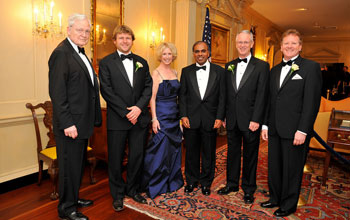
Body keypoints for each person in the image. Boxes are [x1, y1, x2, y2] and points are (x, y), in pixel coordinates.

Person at [261, 29, 321, 217]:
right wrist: (265, 125)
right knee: (275, 166)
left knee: (292, 169)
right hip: (275, 128)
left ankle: (289, 204)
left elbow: (311, 102)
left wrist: (303, 130)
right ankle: (275, 198)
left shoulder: (311, 68)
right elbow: (270, 100)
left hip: (295, 130)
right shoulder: (274, 70)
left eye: (293, 43)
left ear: (300, 46)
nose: (289, 46)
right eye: (286, 43)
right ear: (281, 47)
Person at [48, 13, 102, 220]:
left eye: (87, 31)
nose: (84, 34)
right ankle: (66, 209)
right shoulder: (61, 53)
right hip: (71, 125)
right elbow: (57, 93)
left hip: (83, 123)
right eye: (80, 30)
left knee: (77, 165)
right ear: (68, 30)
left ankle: (73, 198)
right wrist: (68, 123)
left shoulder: (80, 53)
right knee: (69, 167)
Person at [99, 25, 152, 211]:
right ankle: (117, 195)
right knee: (115, 159)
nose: (124, 41)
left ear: (132, 40)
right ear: (114, 41)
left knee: (137, 156)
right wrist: (126, 111)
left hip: (139, 118)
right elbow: (106, 90)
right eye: (121, 38)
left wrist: (138, 108)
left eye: (128, 38)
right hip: (118, 119)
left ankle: (133, 189)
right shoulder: (106, 63)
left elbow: (148, 87)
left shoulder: (142, 62)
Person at [217, 30, 269, 204]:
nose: (242, 45)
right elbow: (225, 93)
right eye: (239, 42)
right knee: (232, 154)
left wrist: (257, 119)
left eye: (246, 42)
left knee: (250, 155)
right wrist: (224, 115)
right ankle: (231, 184)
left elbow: (262, 95)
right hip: (232, 119)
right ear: (236, 43)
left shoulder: (261, 66)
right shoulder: (229, 65)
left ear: (252, 44)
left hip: (250, 120)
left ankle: (248, 189)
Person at [179, 41, 225, 196]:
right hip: (190, 120)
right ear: (193, 53)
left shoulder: (219, 71)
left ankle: (206, 183)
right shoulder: (186, 71)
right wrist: (183, 115)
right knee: (191, 152)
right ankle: (191, 181)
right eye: (197, 51)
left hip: (210, 119)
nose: (200, 54)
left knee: (208, 153)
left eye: (203, 51)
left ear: (208, 52)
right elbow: (182, 96)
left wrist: (219, 117)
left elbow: (222, 97)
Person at [142, 42, 184, 199]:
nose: (167, 57)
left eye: (170, 54)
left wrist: (180, 120)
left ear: (173, 55)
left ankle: (172, 181)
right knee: (160, 152)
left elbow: (179, 98)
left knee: (173, 150)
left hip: (174, 117)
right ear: (160, 55)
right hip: (161, 117)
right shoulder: (156, 73)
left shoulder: (175, 72)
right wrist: (154, 119)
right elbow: (152, 99)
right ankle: (156, 184)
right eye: (164, 54)